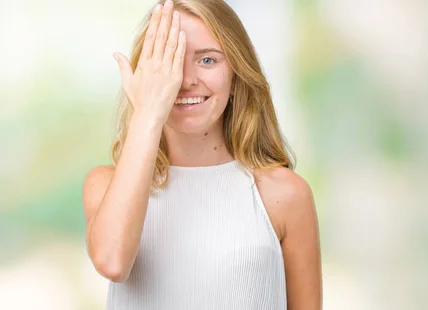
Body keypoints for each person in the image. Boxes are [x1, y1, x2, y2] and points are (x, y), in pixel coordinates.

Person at [81, 0, 322, 309]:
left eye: (207, 60)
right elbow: (113, 263)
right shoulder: (104, 185)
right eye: (169, 61)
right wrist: (148, 112)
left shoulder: (285, 195)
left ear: (236, 75)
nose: (185, 80)